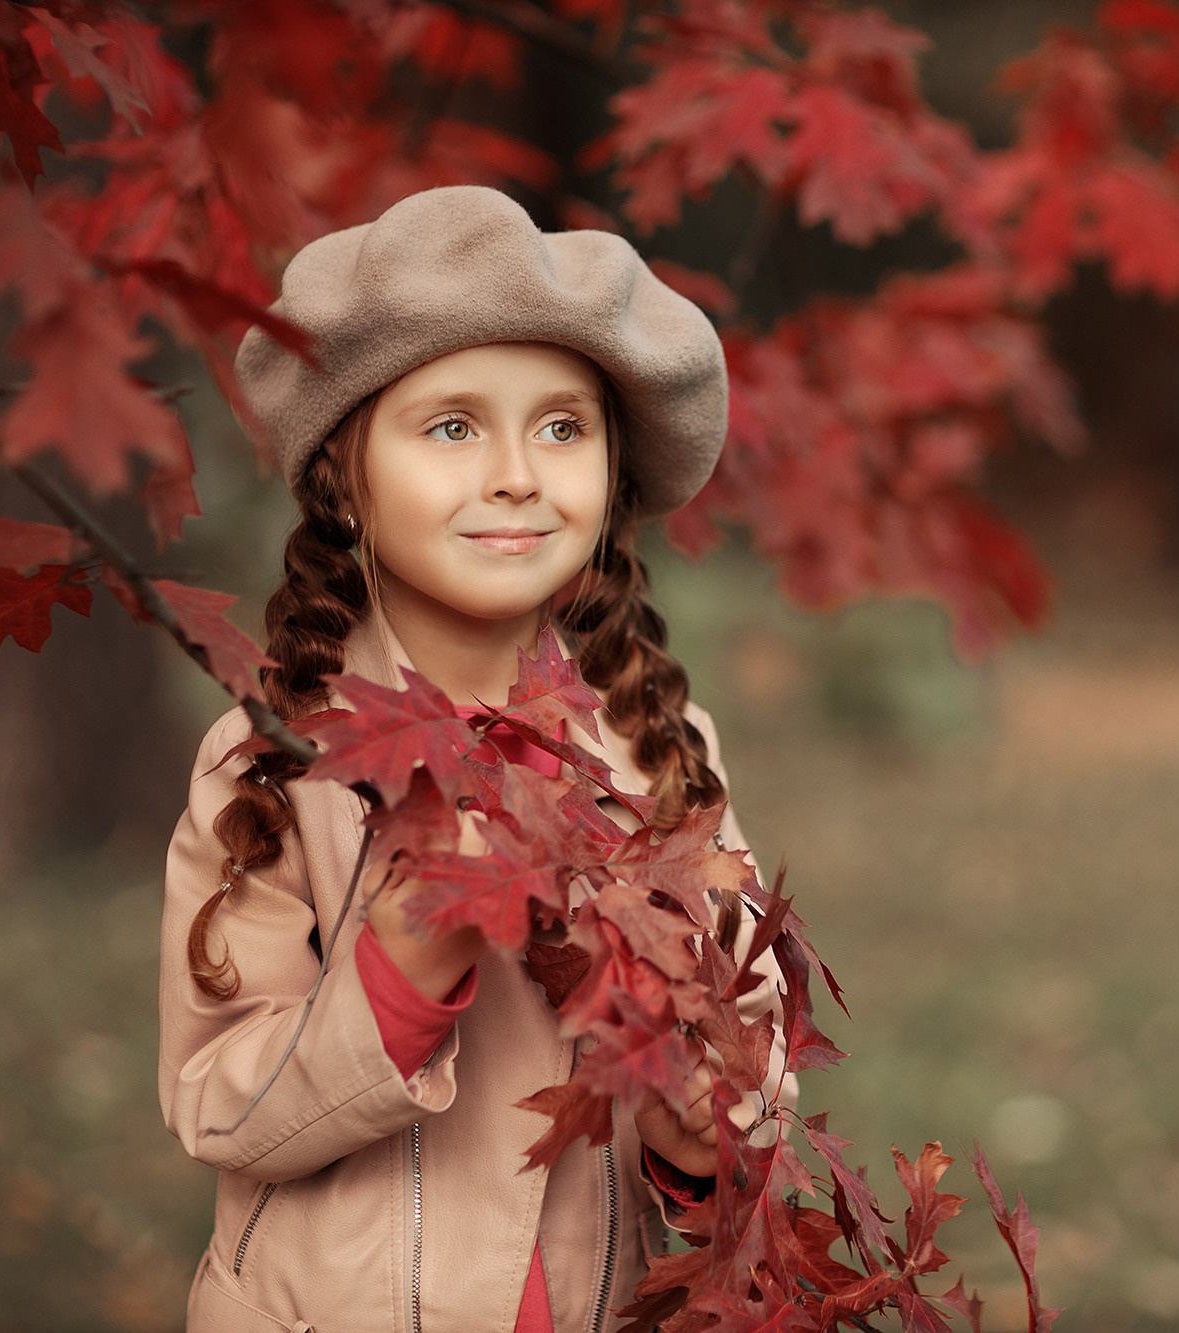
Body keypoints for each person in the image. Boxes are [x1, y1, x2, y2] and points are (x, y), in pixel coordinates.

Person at [157, 185, 792, 1333]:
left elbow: (748, 1048)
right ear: (343, 480)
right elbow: (216, 1103)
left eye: (561, 427)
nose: (515, 472)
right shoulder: (275, 765)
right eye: (452, 426)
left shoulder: (658, 748)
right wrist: (395, 972)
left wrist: (704, 1136)